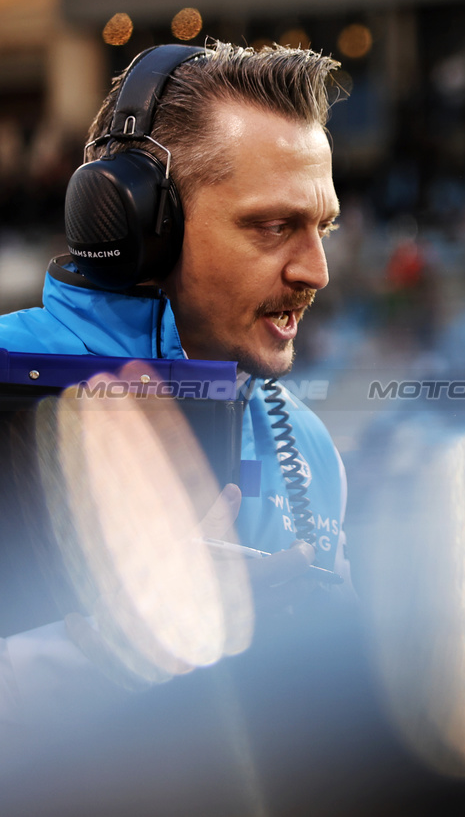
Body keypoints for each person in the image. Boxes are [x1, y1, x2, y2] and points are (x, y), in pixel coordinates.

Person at [0, 41, 351, 728]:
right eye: (274, 226)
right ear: (134, 224)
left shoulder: (306, 445)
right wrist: (105, 646)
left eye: (323, 229)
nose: (316, 271)